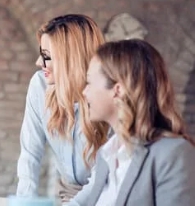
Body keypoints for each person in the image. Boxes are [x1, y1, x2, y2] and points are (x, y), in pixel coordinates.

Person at [71, 39, 195, 205]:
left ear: (118, 90)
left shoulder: (173, 153)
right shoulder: (106, 156)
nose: (84, 92)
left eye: (89, 82)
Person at [16, 14, 110, 203]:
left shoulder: (108, 95)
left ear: (70, 59)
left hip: (106, 197)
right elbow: (30, 153)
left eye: (47, 57)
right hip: (67, 194)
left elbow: (102, 173)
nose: (38, 63)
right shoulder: (39, 85)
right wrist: (23, 202)